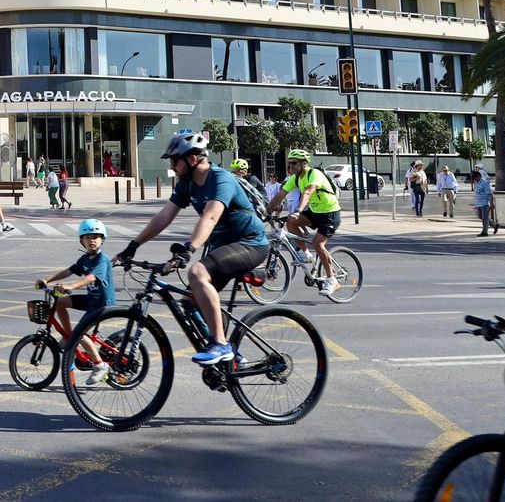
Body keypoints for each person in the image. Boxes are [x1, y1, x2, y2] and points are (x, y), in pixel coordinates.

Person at [119, 130, 268, 366]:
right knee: (190, 301)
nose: (172, 166)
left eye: (174, 161)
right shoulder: (186, 185)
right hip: (223, 246)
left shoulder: (221, 179)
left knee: (197, 273)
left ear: (193, 159)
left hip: (250, 242)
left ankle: (219, 344)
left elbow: (210, 217)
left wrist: (188, 250)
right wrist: (133, 245)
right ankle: (231, 357)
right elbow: (163, 217)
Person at [37, 219, 115, 385]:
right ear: (82, 241)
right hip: (91, 300)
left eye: (96, 237)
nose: (92, 240)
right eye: (88, 237)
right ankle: (68, 336)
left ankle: (100, 365)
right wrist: (47, 280)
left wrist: (70, 285)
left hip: (102, 304)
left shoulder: (102, 260)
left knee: (79, 334)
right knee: (59, 303)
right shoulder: (85, 258)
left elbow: (91, 277)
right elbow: (69, 271)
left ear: (102, 240)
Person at [267, 149, 342, 296]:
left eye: (294, 163)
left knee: (318, 243)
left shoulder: (314, 174)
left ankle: (332, 280)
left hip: (330, 214)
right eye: (289, 163)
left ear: (304, 164)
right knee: (290, 223)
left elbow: (308, 192)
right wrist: (266, 211)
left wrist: (298, 211)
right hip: (315, 212)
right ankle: (306, 255)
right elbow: (280, 195)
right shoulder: (295, 178)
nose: (291, 167)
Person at [472, 166, 494, 236]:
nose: (475, 180)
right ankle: (494, 225)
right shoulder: (477, 183)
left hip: (485, 203)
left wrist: (491, 204)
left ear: (479, 176)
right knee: (481, 217)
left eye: (475, 178)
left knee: (485, 218)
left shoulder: (484, 183)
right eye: (474, 179)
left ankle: (485, 232)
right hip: (478, 203)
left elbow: (489, 194)